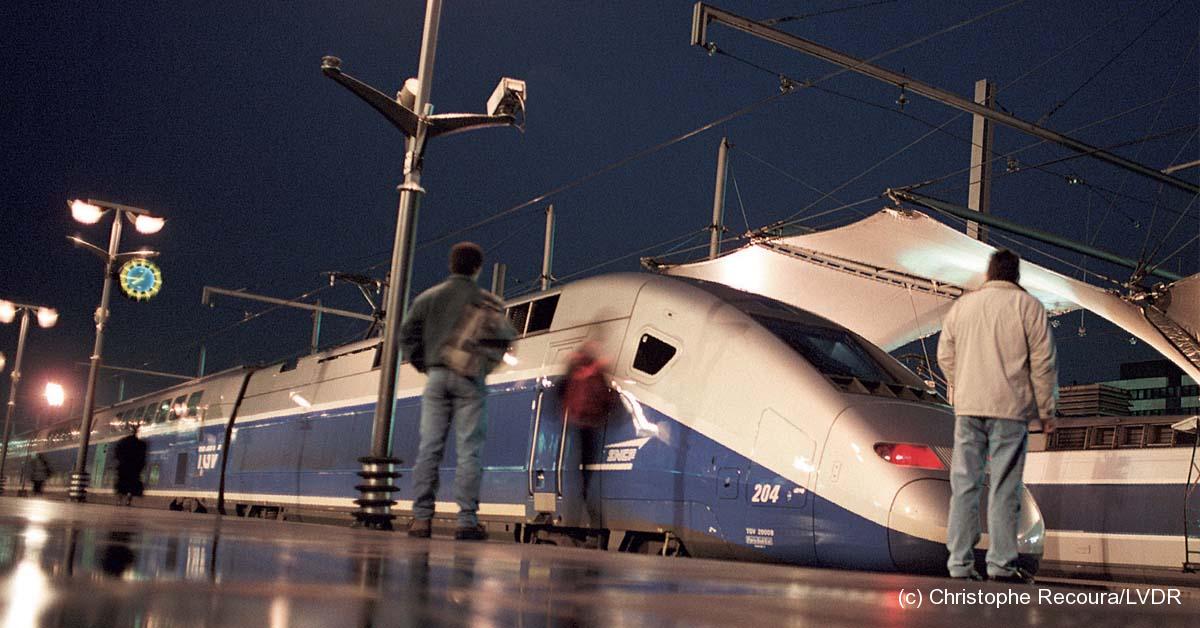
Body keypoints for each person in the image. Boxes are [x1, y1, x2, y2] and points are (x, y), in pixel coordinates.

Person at [937, 249, 1058, 584]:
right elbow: (1043, 363)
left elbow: (945, 353)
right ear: (1016, 277)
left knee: (964, 485)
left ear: (988, 275)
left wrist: (959, 386)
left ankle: (959, 565)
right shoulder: (1029, 307)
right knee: (1005, 488)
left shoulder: (964, 306)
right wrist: (1047, 410)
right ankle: (1001, 565)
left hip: (969, 408)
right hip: (1010, 410)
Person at [402, 242, 516, 541]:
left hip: (437, 377)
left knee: (429, 449)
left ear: (451, 265)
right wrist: (482, 369)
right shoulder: (488, 301)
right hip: (470, 380)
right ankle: (466, 522)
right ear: (478, 269)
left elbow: (407, 335)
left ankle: (421, 520)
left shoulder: (429, 298)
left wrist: (425, 364)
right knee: (469, 452)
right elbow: (506, 341)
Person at [112, 426, 148, 506]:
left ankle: (119, 500)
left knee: (122, 484)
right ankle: (128, 501)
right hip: (134, 468)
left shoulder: (123, 442)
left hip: (124, 467)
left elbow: (117, 453)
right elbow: (142, 457)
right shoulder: (140, 444)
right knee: (131, 485)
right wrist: (140, 466)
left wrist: (120, 462)